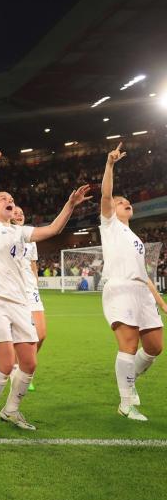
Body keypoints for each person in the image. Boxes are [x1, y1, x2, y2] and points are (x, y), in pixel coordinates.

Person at [0, 150, 91, 435]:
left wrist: (70, 205)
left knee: (29, 362)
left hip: (18, 303)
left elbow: (52, 229)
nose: (9, 202)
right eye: (4, 199)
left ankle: (10, 409)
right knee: (5, 363)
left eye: (11, 201)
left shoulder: (20, 232)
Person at [100, 143, 166, 421]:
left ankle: (130, 380)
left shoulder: (136, 239)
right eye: (120, 201)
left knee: (154, 347)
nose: (125, 202)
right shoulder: (110, 225)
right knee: (128, 344)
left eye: (127, 201)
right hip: (120, 290)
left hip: (142, 293)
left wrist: (162, 303)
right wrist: (110, 165)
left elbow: (145, 275)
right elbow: (105, 195)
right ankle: (126, 403)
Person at [11, 206, 45, 392]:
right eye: (15, 211)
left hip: (32, 290)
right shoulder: (6, 235)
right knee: (25, 336)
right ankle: (20, 371)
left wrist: (36, 284)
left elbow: (33, 264)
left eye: (22, 212)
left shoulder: (31, 239)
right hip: (16, 290)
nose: (19, 214)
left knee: (41, 334)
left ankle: (20, 366)